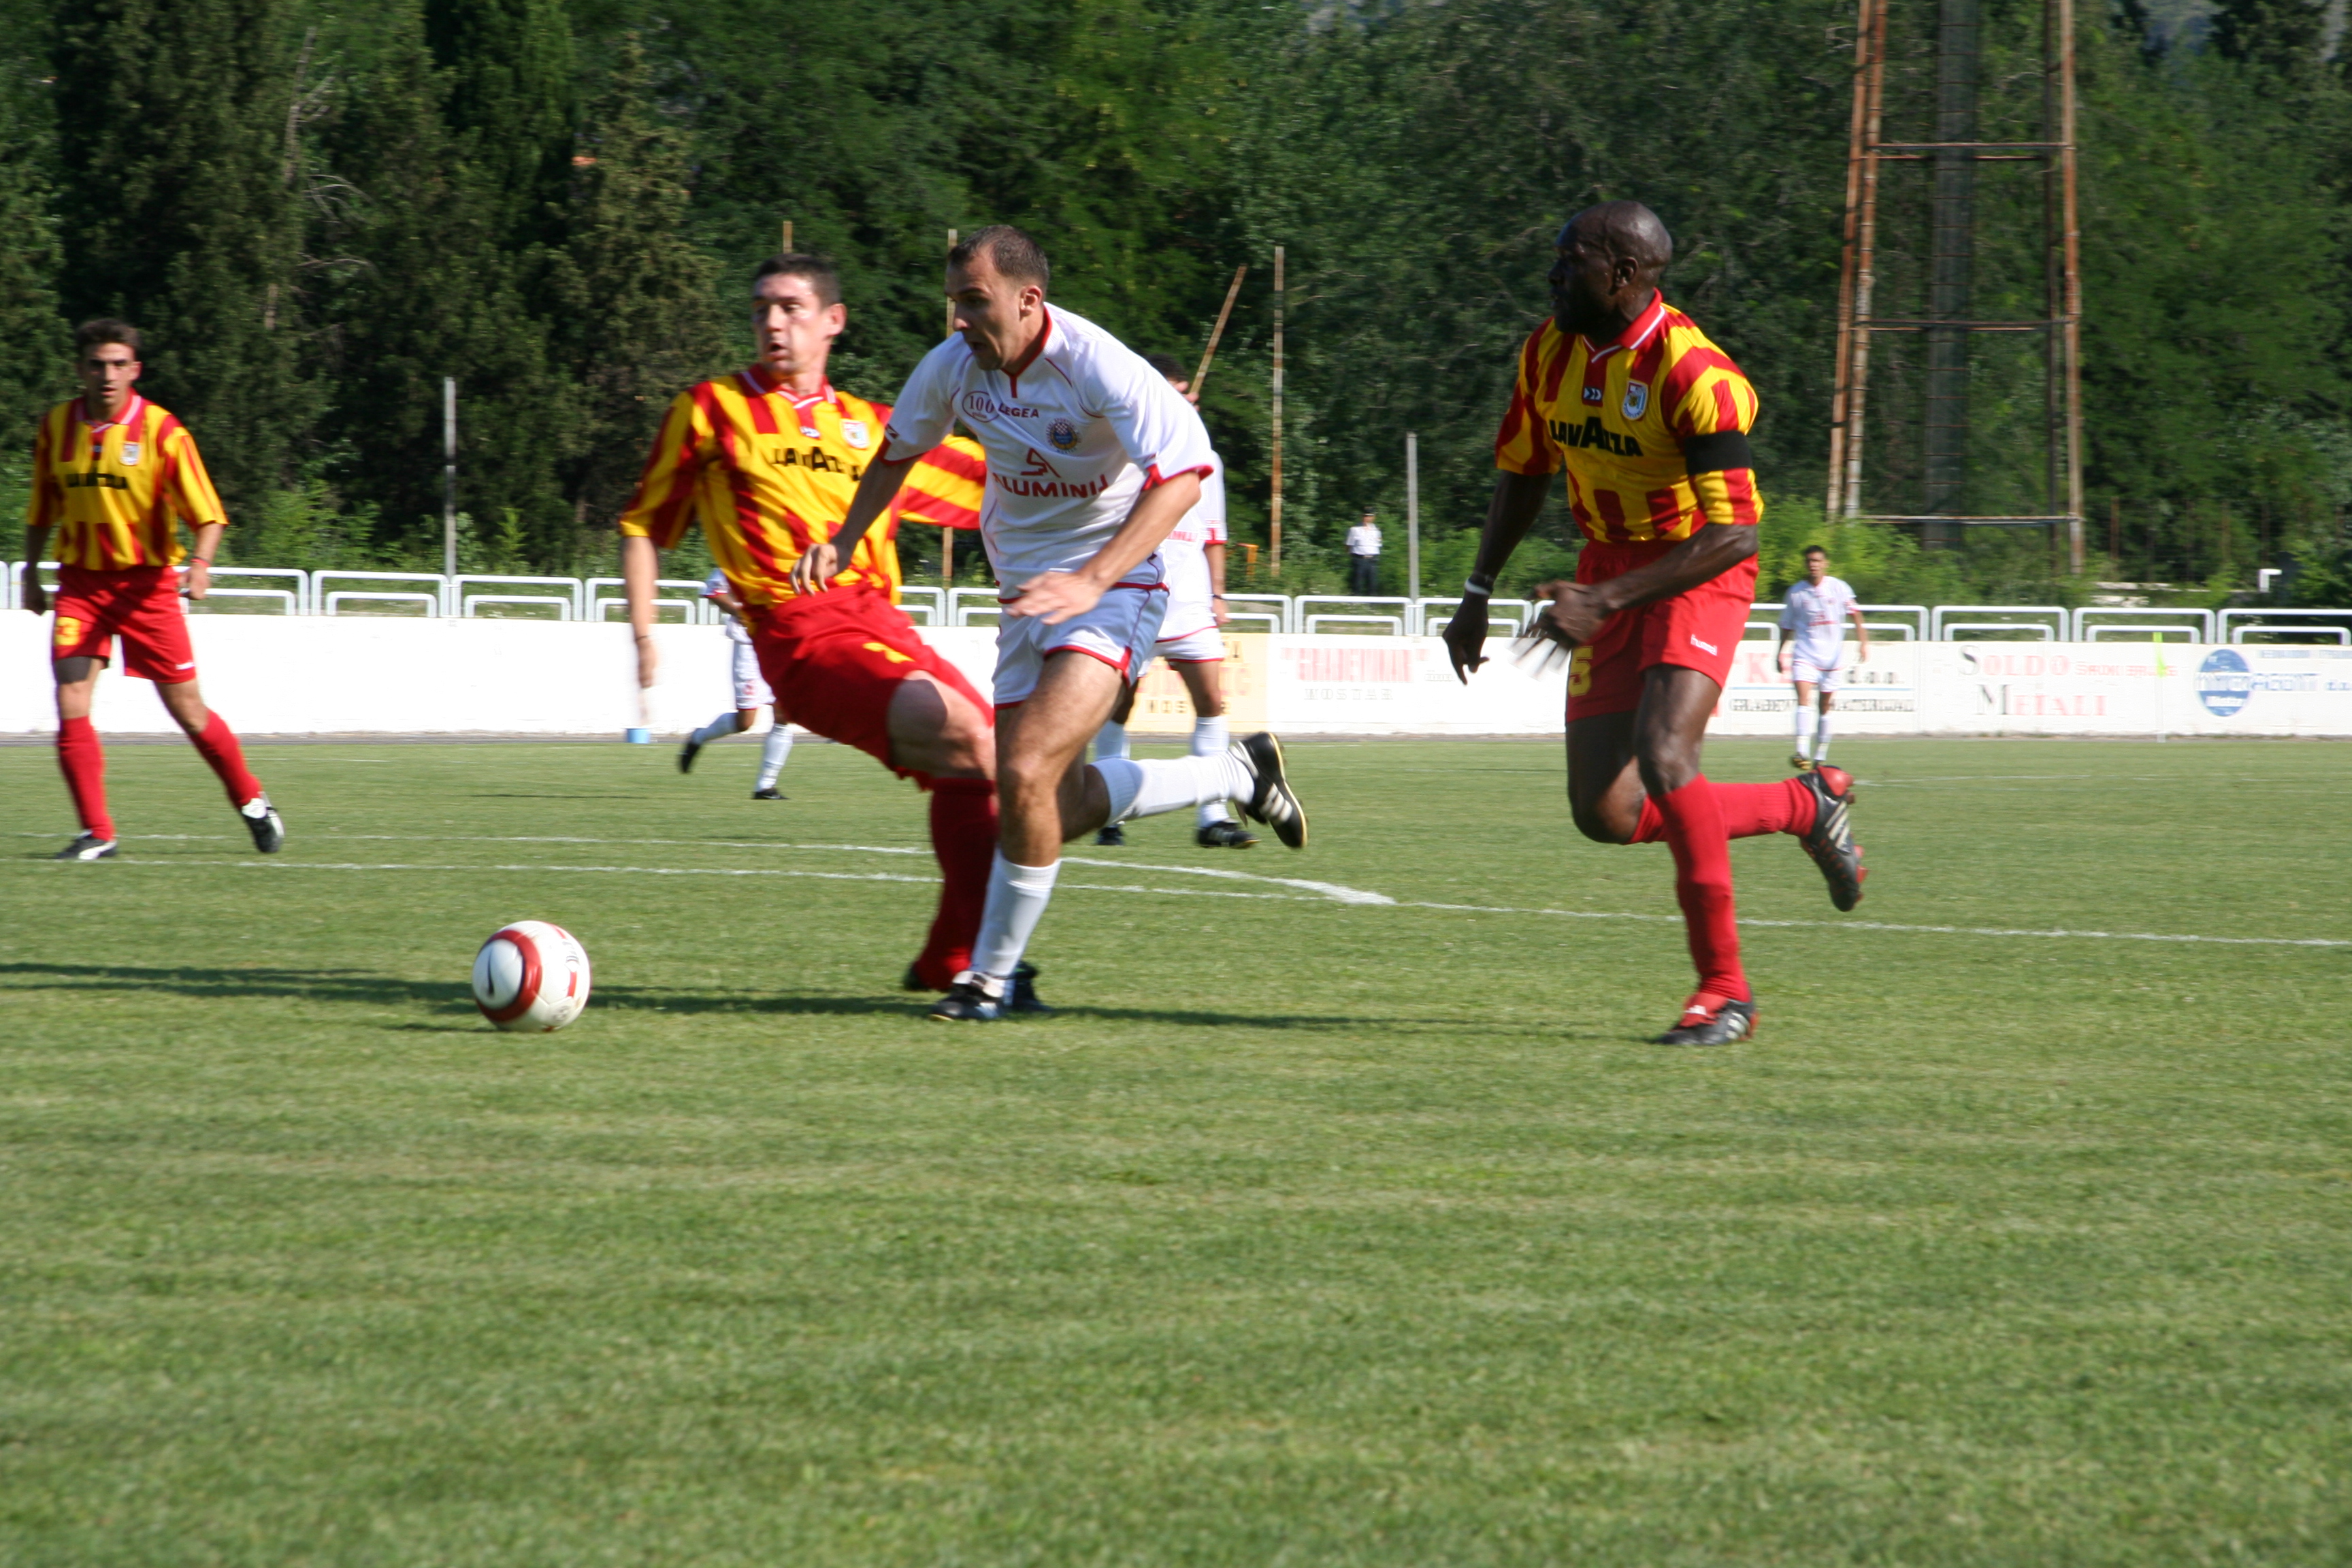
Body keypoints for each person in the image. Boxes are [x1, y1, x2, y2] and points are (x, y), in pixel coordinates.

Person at [794, 225, 1307, 1022]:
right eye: (955, 303)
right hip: (1027, 597)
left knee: (1027, 770)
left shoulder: (1101, 365)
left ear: (1030, 301)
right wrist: (843, 539)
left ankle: (987, 984)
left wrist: (1095, 576)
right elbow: (897, 453)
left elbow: (1183, 478)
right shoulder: (954, 369)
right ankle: (1234, 776)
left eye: (976, 302)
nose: (960, 320)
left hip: (1120, 582)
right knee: (1046, 805)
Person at [1443, 201, 1864, 1047]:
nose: (1555, 274)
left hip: (1697, 567)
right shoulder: (1545, 352)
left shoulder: (1697, 374)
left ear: (1625, 275)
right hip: (1607, 566)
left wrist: (1607, 602)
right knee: (1604, 811)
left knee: (1670, 757)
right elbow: (1524, 472)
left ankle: (1726, 993)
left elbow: (1736, 532)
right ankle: (1802, 804)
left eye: (1571, 260)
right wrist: (1477, 588)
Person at [620, 252, 1000, 993]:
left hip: (885, 626)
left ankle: (952, 962)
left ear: (833, 322)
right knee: (973, 739)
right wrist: (644, 635)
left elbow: (1001, 482)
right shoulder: (710, 410)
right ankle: (984, 965)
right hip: (798, 632)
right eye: (762, 306)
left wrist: (1101, 446)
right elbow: (642, 525)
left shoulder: (876, 427)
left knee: (991, 768)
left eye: (791, 307)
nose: (771, 322)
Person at [20, 318, 285, 862]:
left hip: (147, 589)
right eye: (97, 364)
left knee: (188, 711)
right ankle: (98, 832)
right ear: (80, 370)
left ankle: (252, 800)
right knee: (71, 699)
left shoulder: (164, 432)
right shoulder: (55, 428)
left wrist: (201, 564)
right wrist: (30, 570)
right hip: (81, 584)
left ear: (135, 370)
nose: (107, 375)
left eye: (119, 365)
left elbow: (208, 515)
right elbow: (42, 509)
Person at [1092, 352, 1256, 850]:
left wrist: (1219, 594)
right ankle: (1108, 811)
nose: (1181, 402)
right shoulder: (1122, 451)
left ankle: (1212, 817)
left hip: (1188, 600)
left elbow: (1213, 534)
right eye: (1170, 393)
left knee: (1212, 701)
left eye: (1185, 393)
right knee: (1119, 705)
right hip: (1133, 593)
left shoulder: (1207, 456)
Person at [677, 567, 796, 798]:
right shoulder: (742, 556)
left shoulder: (792, 555)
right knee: (745, 722)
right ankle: (698, 738)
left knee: (784, 715)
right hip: (749, 647)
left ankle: (765, 786)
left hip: (783, 645)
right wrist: (737, 610)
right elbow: (714, 590)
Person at [1777, 545, 1868, 770]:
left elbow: (1855, 613)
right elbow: (1787, 625)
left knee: (1825, 706)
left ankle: (1820, 755)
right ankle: (1801, 751)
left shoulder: (1839, 588)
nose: (1813, 564)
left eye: (1817, 561)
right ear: (1805, 564)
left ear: (1825, 563)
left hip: (1832, 659)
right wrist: (1780, 651)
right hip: (1805, 655)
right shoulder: (1796, 593)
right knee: (1803, 700)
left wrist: (1863, 642)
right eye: (1809, 561)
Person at [1345, 510, 1382, 596]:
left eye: (1370, 516)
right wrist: (1350, 555)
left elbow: (1378, 544)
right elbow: (1349, 544)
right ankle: (1354, 606)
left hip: (1372, 560)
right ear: (1362, 517)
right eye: (1366, 516)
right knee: (1357, 584)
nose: (1368, 518)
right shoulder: (1355, 529)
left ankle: (1372, 607)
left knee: (1372, 584)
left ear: (1373, 517)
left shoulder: (1376, 530)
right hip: (1360, 559)